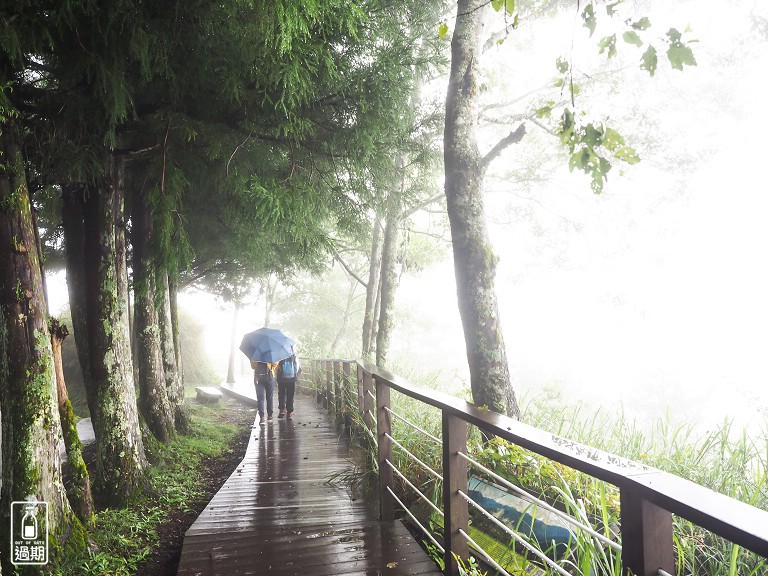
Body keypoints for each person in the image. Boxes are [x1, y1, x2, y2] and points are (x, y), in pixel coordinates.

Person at [252, 360, 277, 425]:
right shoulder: (270, 352)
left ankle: (263, 417)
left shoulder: (255, 354)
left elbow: (253, 366)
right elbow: (275, 364)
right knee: (269, 397)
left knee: (261, 398)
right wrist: (270, 369)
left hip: (259, 378)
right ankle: (269, 416)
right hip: (269, 376)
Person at [276, 352, 301, 419]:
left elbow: (276, 366)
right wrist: (297, 375)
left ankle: (281, 410)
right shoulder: (294, 354)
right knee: (290, 395)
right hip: (291, 378)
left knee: (281, 394)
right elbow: (298, 367)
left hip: (281, 378)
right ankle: (289, 412)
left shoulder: (279, 354)